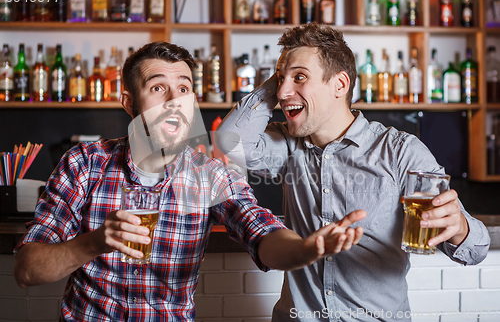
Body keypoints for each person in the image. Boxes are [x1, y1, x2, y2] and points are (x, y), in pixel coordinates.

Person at [14, 41, 367, 321]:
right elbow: (27, 269)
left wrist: (307, 249)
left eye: (183, 89)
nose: (174, 101)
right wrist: (93, 243)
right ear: (129, 102)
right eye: (157, 88)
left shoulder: (209, 175)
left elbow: (262, 231)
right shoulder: (84, 163)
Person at [216, 23, 491, 321]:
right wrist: (284, 75)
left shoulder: (400, 152)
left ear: (340, 85)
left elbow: (476, 250)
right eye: (280, 79)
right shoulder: (287, 144)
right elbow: (229, 140)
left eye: (299, 77)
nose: (282, 92)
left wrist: (459, 227)